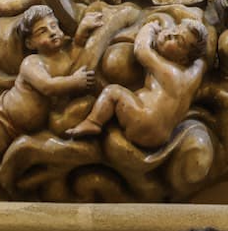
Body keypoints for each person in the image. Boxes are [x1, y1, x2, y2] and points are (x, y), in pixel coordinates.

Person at [0, 7, 96, 158]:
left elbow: (75, 57)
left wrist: (82, 32)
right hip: (5, 119)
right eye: (42, 31)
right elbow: (47, 86)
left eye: (54, 25)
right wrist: (74, 81)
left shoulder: (64, 55)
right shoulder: (31, 63)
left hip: (35, 127)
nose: (52, 32)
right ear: (30, 43)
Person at [65, 17, 208, 146]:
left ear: (183, 59)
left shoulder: (168, 71)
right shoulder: (194, 73)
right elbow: (201, 62)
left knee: (112, 92)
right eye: (175, 29)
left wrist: (149, 29)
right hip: (163, 136)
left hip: (144, 122)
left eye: (178, 41)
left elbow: (141, 50)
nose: (170, 34)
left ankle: (93, 122)